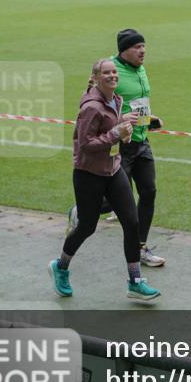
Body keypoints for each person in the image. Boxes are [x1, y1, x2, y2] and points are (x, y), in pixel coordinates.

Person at [49, 58, 161, 303]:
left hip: (113, 168)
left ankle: (135, 281)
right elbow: (86, 145)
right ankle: (61, 266)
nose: (112, 76)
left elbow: (111, 131)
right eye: (106, 73)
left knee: (132, 222)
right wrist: (115, 134)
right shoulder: (91, 107)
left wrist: (126, 126)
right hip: (88, 173)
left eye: (114, 72)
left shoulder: (116, 100)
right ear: (96, 78)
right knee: (87, 226)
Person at [65, 28, 166, 268]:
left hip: (140, 140)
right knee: (114, 201)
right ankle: (80, 211)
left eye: (144, 45)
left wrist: (148, 121)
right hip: (119, 145)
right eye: (137, 47)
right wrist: (116, 132)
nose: (143, 50)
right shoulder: (110, 71)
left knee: (149, 191)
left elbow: (136, 105)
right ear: (124, 51)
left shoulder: (139, 69)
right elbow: (92, 101)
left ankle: (141, 247)